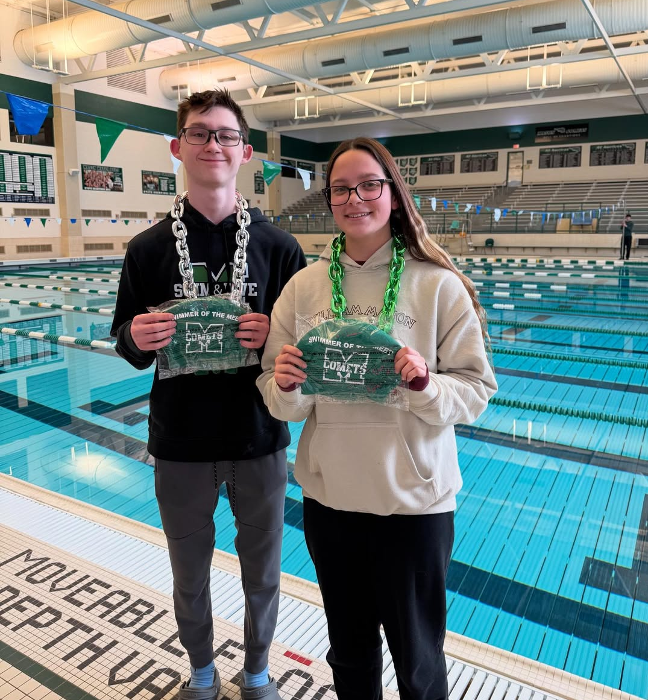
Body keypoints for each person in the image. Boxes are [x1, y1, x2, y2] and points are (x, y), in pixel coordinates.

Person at [257, 137, 497, 700]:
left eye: (369, 185)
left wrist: (424, 386)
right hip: (331, 504)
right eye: (341, 189)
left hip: (413, 506)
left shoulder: (437, 284)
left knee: (419, 662)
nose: (355, 198)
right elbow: (275, 393)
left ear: (392, 192)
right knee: (349, 654)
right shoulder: (304, 286)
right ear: (329, 199)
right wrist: (286, 384)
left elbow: (476, 389)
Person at [111, 88, 306, 700]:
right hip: (181, 442)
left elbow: (303, 351)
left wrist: (275, 338)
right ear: (178, 147)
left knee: (263, 572)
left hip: (259, 438)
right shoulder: (146, 249)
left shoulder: (279, 248)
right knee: (188, 572)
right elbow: (125, 340)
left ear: (245, 151)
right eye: (199, 133)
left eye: (225, 135)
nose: (212, 144)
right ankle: (200, 669)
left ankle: (257, 671)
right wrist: (136, 336)